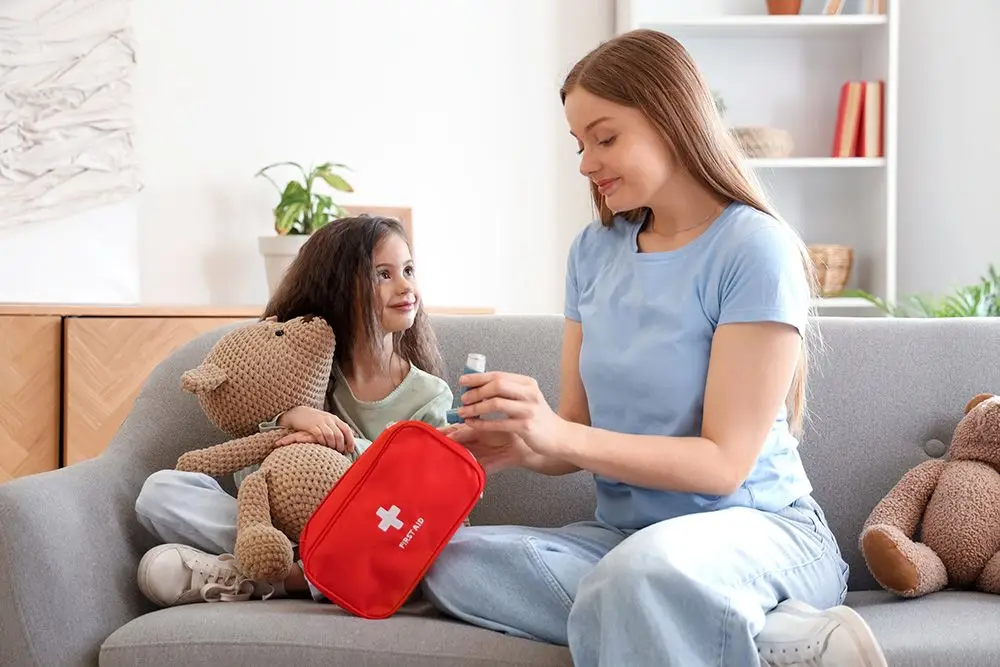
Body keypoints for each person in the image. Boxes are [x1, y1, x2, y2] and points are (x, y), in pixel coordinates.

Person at [420, 29, 888, 667]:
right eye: (579, 143)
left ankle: (689, 604)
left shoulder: (753, 248)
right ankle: (758, 631)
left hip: (758, 530)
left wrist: (561, 436)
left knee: (640, 577)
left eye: (606, 137)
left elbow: (723, 464)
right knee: (444, 558)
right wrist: (528, 443)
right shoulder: (593, 252)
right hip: (627, 538)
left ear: (672, 118)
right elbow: (580, 429)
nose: (586, 162)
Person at [134, 215, 454, 607]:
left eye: (407, 270)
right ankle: (284, 566)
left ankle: (270, 579)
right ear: (340, 289)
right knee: (159, 491)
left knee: (430, 557)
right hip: (280, 528)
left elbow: (424, 500)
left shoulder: (429, 395)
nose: (406, 286)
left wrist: (347, 444)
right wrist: (287, 420)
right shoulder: (303, 367)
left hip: (362, 538)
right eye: (382, 275)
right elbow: (252, 476)